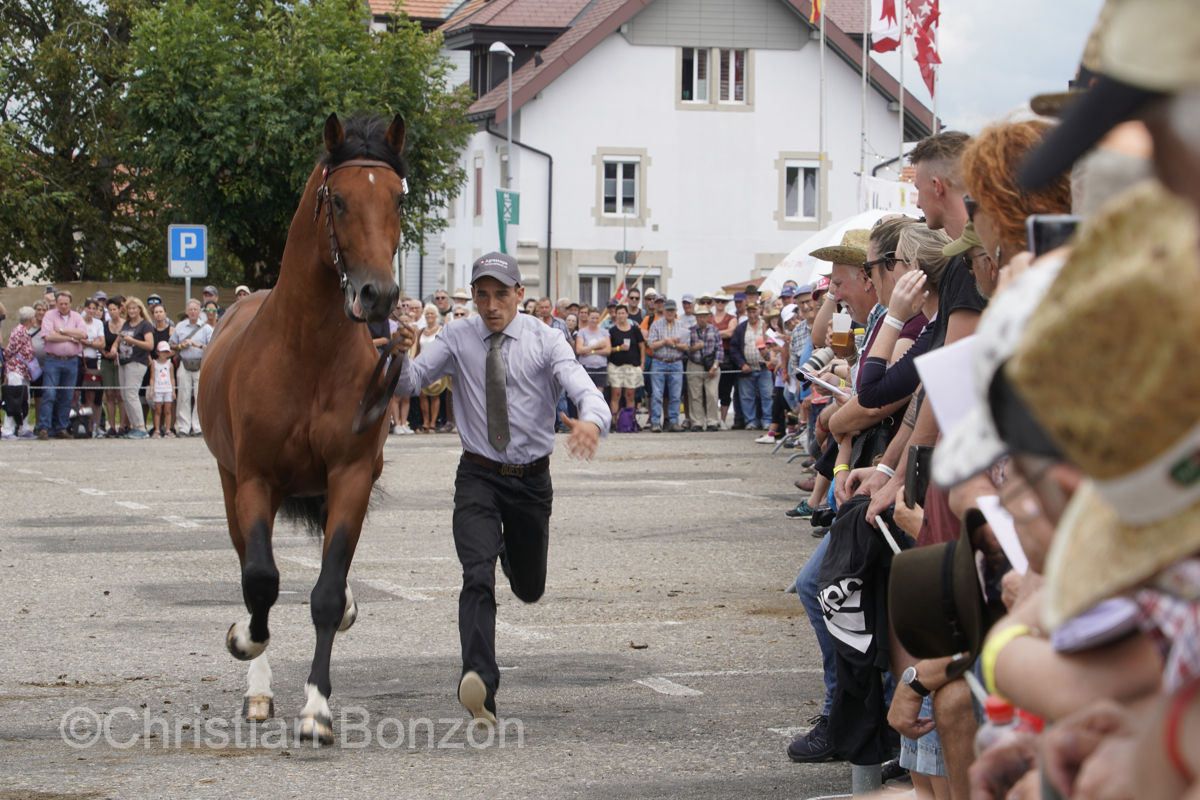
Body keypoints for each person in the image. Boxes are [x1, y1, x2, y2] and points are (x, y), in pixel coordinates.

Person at [390, 251, 607, 727]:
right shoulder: (455, 335)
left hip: (530, 481)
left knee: (529, 589)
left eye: (501, 295)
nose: (491, 306)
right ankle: (480, 682)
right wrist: (398, 348)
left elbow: (584, 387)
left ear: (519, 296)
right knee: (476, 573)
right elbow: (409, 383)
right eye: (482, 295)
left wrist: (591, 421)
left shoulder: (546, 339)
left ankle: (512, 553)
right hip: (478, 476)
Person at [38, 290, 88, 440]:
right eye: (61, 304)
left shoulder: (77, 316)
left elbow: (83, 335)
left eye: (66, 303)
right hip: (53, 360)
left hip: (72, 360)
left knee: (67, 396)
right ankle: (44, 428)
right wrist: (72, 336)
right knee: (49, 394)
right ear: (57, 303)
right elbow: (48, 336)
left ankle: (62, 428)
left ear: (71, 303)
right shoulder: (49, 315)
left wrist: (62, 331)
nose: (64, 306)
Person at [112, 297, 154, 439]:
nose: (131, 311)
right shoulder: (126, 324)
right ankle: (134, 426)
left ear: (140, 309)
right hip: (123, 362)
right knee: (125, 396)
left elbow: (150, 345)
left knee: (131, 394)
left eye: (134, 308)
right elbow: (118, 339)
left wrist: (133, 341)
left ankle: (141, 427)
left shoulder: (145, 325)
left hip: (136, 362)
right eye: (129, 308)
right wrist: (114, 348)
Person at [646, 298, 689, 432]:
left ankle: (674, 422)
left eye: (672, 310)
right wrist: (665, 342)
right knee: (657, 394)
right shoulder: (656, 325)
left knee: (676, 395)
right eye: (668, 310)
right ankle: (655, 422)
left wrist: (672, 344)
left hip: (676, 363)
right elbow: (651, 345)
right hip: (659, 361)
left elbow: (686, 346)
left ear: (676, 311)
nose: (670, 312)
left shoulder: (682, 326)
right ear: (663, 310)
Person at [170, 299, 211, 437]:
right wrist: (181, 346)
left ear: (200, 312)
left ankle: (198, 426)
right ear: (186, 311)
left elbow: (212, 347)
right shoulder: (180, 326)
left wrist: (196, 345)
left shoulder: (206, 328)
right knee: (183, 396)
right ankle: (183, 427)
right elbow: (172, 345)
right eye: (190, 309)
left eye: (195, 309)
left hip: (200, 364)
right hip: (184, 363)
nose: (193, 312)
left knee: (199, 396)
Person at [729, 302, 771, 431]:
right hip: (747, 368)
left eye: (755, 311)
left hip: (765, 367)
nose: (752, 315)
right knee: (747, 397)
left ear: (759, 311)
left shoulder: (766, 327)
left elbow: (773, 344)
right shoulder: (741, 328)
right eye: (750, 312)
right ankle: (750, 422)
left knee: (767, 395)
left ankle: (767, 421)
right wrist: (742, 364)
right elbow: (734, 348)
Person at [606, 303, 645, 431]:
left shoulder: (635, 329)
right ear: (616, 315)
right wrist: (619, 348)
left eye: (623, 313)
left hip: (632, 366)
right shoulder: (612, 331)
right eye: (619, 313)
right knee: (615, 395)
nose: (621, 315)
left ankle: (629, 422)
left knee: (630, 395)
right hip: (616, 366)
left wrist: (642, 364)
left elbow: (642, 346)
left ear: (627, 315)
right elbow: (608, 349)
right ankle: (613, 422)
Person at [2, 307, 38, 439]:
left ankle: (23, 428)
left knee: (25, 400)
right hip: (16, 371)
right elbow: (9, 351)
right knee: (13, 401)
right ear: (32, 319)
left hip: (24, 371)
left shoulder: (24, 331)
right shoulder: (19, 331)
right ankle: (7, 430)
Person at [686, 304, 722, 431]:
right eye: (700, 316)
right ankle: (697, 422)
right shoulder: (689, 331)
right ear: (696, 317)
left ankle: (712, 421)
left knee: (712, 394)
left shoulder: (715, 330)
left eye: (704, 316)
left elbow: (719, 350)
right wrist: (695, 347)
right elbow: (685, 350)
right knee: (695, 395)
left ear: (708, 317)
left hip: (711, 365)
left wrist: (715, 366)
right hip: (694, 365)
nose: (702, 319)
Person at [416, 303, 445, 433]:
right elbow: (416, 348)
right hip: (421, 365)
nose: (429, 316)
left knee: (434, 394)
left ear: (436, 315)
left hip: (435, 365)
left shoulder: (441, 329)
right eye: (427, 313)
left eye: (432, 313)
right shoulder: (421, 331)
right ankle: (425, 422)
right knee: (422, 395)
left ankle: (433, 423)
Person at [99, 296, 125, 436]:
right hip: (107, 361)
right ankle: (112, 426)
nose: (112, 312)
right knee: (109, 394)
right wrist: (104, 353)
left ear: (120, 309)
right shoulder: (104, 325)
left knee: (120, 395)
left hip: (121, 361)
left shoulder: (125, 324)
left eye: (114, 309)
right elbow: (99, 341)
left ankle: (122, 426)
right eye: (109, 310)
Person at [148, 303, 175, 436]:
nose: (158, 314)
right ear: (152, 315)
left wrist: (165, 356)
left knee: (169, 407)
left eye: (160, 311)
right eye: (156, 312)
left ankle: (169, 428)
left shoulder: (171, 330)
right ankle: (157, 428)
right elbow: (148, 347)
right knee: (156, 406)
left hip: (167, 364)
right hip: (154, 365)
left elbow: (176, 346)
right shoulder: (150, 330)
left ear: (165, 314)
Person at [80, 298, 106, 429]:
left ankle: (91, 426)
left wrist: (88, 342)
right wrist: (92, 342)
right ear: (84, 308)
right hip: (78, 358)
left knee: (91, 394)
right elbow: (76, 342)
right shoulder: (78, 320)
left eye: (94, 308)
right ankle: (76, 424)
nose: (91, 311)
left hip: (92, 361)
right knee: (75, 394)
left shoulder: (98, 323)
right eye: (89, 308)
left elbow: (102, 343)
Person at [574, 308, 610, 389]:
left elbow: (607, 350)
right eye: (592, 318)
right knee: (585, 391)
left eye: (597, 318)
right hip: (586, 367)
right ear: (588, 318)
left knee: (599, 394)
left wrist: (591, 352)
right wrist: (596, 346)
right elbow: (579, 350)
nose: (595, 320)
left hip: (601, 367)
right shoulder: (582, 332)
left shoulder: (604, 332)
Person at [149, 342, 175, 438]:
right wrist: (151, 390)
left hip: (167, 389)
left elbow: (172, 377)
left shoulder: (170, 364)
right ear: (157, 352)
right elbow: (152, 377)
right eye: (162, 351)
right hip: (158, 389)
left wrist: (173, 391)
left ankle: (168, 429)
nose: (164, 354)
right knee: (158, 411)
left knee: (167, 411)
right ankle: (157, 430)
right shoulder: (154, 363)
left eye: (166, 352)